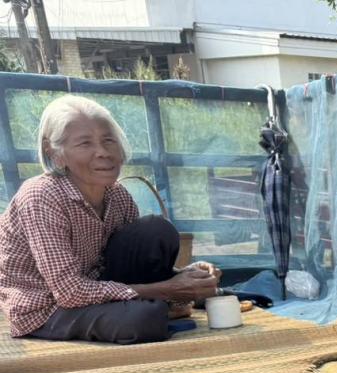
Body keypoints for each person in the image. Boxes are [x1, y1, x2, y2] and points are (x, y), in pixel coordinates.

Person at [0, 95, 219, 344]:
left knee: (156, 230)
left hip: (97, 286)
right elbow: (69, 293)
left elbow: (136, 263)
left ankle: (159, 303)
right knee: (145, 318)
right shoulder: (40, 197)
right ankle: (157, 306)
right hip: (48, 307)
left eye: (108, 141)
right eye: (85, 144)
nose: (103, 153)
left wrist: (190, 277)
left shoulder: (117, 194)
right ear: (56, 153)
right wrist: (170, 288)